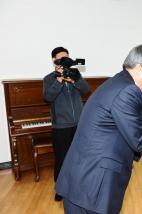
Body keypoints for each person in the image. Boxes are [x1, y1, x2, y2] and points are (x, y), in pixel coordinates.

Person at [55, 45, 142, 214]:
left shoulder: (116, 82)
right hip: (93, 186)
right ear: (139, 69)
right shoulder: (129, 91)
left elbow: (115, 131)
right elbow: (139, 139)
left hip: (81, 181)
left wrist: (141, 152)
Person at [43, 47, 89, 201]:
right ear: (54, 60)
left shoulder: (75, 74)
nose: (65, 60)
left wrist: (74, 80)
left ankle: (80, 185)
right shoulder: (49, 78)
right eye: (62, 58)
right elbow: (48, 97)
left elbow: (86, 89)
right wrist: (59, 80)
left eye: (67, 57)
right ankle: (60, 189)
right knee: (62, 158)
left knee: (80, 157)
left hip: (79, 124)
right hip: (61, 126)